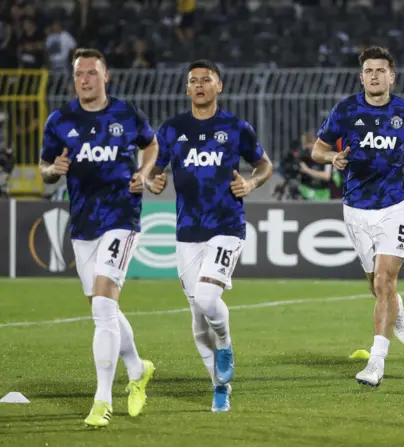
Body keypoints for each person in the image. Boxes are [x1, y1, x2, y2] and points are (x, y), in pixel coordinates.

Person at [39, 48, 158, 428]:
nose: (84, 79)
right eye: (78, 74)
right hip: (83, 226)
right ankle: (138, 369)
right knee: (102, 309)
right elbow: (43, 169)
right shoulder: (60, 121)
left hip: (121, 217)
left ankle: (102, 399)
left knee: (104, 309)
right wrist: (53, 169)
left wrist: (144, 171)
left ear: (106, 76)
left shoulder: (126, 113)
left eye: (91, 72)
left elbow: (151, 144)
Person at [147, 59, 273, 412]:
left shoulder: (236, 127)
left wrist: (250, 183)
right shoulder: (171, 129)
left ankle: (227, 345)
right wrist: (152, 181)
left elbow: (265, 165)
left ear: (219, 86)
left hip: (226, 226)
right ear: (187, 89)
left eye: (206, 80)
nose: (199, 85)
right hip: (187, 233)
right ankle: (220, 387)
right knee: (197, 320)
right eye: (193, 81)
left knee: (206, 299)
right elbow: (152, 172)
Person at [312, 46, 404, 388]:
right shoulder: (346, 109)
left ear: (392, 76)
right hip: (356, 207)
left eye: (381, 70)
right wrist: (332, 157)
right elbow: (317, 149)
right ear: (361, 76)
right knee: (375, 284)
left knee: (383, 281)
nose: (375, 76)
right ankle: (398, 308)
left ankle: (376, 363)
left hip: (394, 204)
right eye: (369, 71)